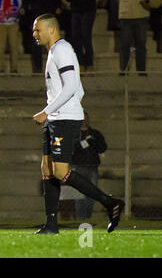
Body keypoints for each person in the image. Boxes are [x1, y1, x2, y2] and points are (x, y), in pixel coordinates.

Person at [31, 13, 124, 234]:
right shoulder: (54, 51)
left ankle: (110, 203)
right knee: (46, 169)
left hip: (62, 119)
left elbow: (71, 86)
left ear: (51, 29)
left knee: (61, 170)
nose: (34, 34)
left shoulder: (62, 49)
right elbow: (78, 88)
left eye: (38, 29)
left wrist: (48, 111)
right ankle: (51, 224)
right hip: (56, 118)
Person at [114, 0, 156, 74]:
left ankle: (141, 70)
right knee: (124, 45)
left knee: (141, 46)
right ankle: (123, 70)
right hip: (126, 17)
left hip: (141, 17)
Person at [20, 0, 62, 73]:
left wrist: (58, 7)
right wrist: (23, 8)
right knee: (37, 44)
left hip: (48, 20)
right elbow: (25, 1)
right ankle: (38, 67)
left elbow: (57, 0)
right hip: (35, 21)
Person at [64, 0, 101, 72]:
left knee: (86, 37)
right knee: (76, 38)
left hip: (87, 12)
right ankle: (80, 63)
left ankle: (89, 63)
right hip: (76, 12)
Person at [70, 112, 108, 220]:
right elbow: (70, 149)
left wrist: (93, 142)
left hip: (92, 167)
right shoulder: (74, 134)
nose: (84, 121)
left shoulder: (95, 133)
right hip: (78, 168)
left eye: (86, 118)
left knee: (91, 194)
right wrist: (80, 144)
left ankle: (87, 217)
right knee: (79, 195)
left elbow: (103, 148)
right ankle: (80, 218)